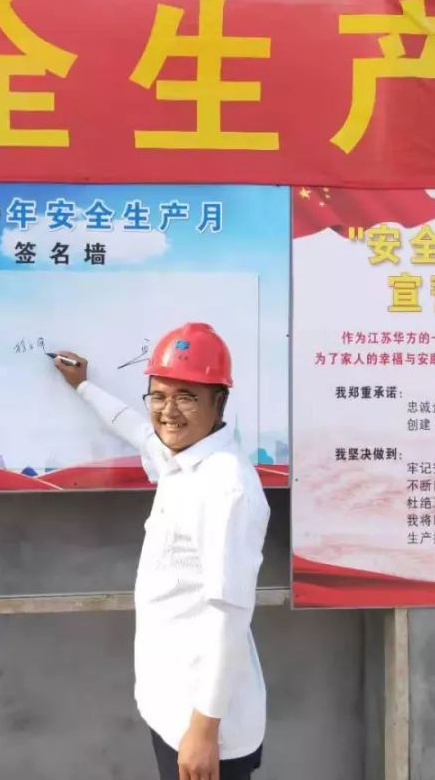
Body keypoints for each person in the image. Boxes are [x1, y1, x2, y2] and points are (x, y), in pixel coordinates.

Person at [53, 322, 269, 780]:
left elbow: (229, 614)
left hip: (208, 729)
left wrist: (204, 731)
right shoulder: (181, 460)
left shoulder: (224, 487)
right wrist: (83, 385)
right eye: (158, 396)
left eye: (186, 397)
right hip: (174, 709)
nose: (168, 411)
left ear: (219, 402)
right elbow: (136, 429)